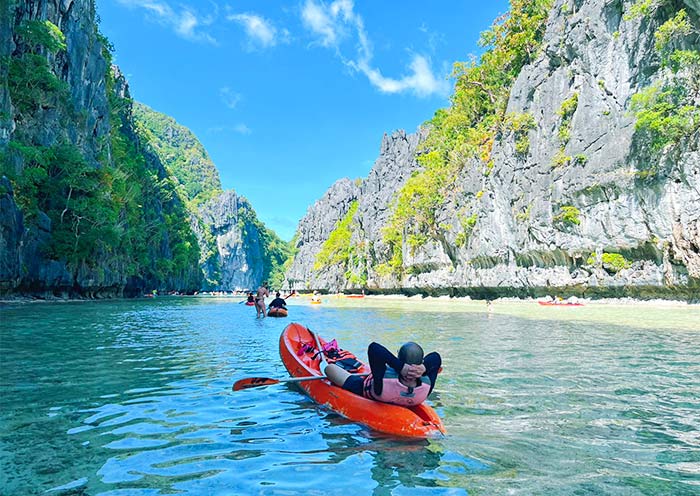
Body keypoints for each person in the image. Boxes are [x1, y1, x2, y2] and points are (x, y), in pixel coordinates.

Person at [325, 341, 441, 407]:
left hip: (372, 391)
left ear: (399, 359)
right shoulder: (427, 387)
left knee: (329, 368)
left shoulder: (380, 383)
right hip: (414, 397)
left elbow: (374, 348)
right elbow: (436, 357)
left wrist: (399, 366)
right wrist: (424, 368)